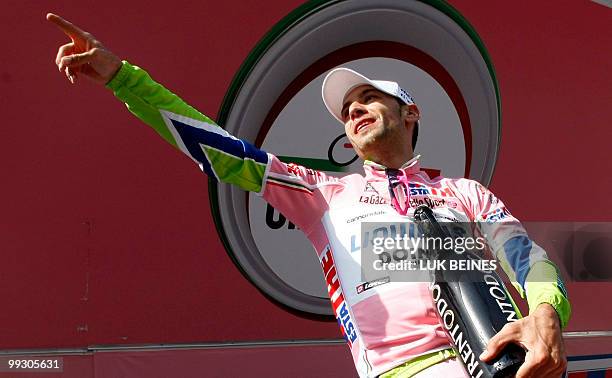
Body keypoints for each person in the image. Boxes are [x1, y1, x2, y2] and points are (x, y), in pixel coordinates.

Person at [47, 13, 570, 378]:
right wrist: (123, 79)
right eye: (348, 111)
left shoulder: (465, 193)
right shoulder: (323, 193)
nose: (354, 111)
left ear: (411, 113)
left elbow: (531, 261)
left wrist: (546, 316)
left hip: (505, 363)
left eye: (369, 98)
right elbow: (220, 151)